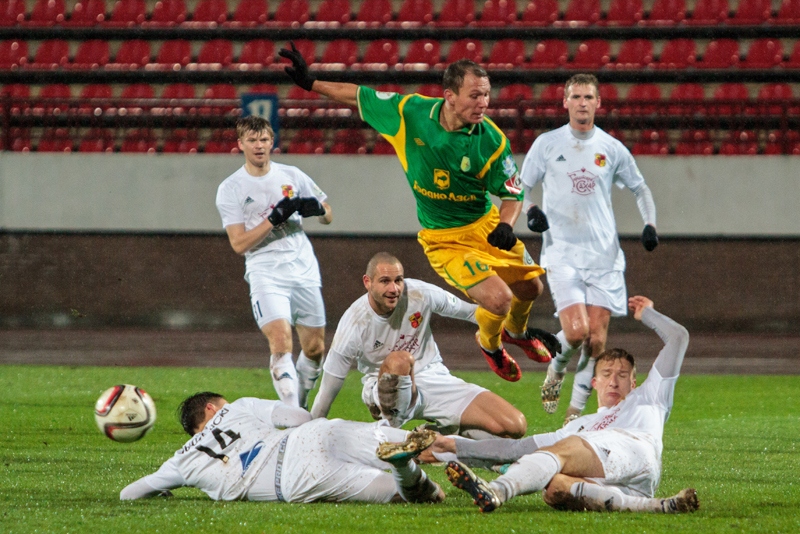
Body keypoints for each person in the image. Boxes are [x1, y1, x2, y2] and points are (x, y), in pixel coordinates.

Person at [279, 43, 559, 383]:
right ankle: (490, 344)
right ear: (450, 96)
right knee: (499, 300)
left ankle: (516, 332)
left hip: (484, 225)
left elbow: (511, 193)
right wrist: (311, 83)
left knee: (532, 288)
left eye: (486, 95)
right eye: (474, 95)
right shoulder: (410, 113)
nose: (483, 103)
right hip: (444, 239)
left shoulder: (491, 140)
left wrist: (504, 223)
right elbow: (359, 96)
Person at [382, 296, 698, 514]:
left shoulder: (650, 399)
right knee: (554, 488)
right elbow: (516, 449)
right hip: (613, 478)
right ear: (594, 383)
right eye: (607, 374)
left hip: (636, 454)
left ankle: (498, 490)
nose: (615, 381)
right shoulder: (581, 425)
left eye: (623, 375)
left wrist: (648, 314)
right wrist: (448, 444)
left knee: (561, 451)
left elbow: (679, 338)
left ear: (634, 383)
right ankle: (654, 506)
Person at [519, 73, 659, 423]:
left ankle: (575, 412)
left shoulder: (611, 148)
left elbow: (640, 188)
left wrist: (650, 225)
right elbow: (520, 187)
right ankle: (557, 365)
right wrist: (531, 210)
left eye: (588, 97)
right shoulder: (548, 144)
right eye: (576, 97)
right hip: (563, 253)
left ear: (598, 103)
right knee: (577, 332)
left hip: (605, 257)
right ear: (565, 102)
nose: (582, 103)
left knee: (596, 341)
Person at [310, 252, 527, 439]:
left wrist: (516, 331)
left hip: (434, 378)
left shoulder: (420, 293)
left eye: (398, 280)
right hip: (382, 388)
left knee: (513, 427)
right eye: (385, 281)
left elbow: (473, 313)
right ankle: (391, 433)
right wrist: (310, 433)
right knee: (400, 361)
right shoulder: (355, 322)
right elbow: (328, 389)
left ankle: (433, 437)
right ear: (367, 282)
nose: (394, 288)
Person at [120, 392, 444, 504]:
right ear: (211, 407)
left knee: (423, 497)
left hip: (294, 479)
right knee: (416, 442)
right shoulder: (239, 407)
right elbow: (300, 416)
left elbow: (129, 494)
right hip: (311, 436)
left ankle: (402, 467)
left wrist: (161, 491)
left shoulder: (181, 461)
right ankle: (480, 454)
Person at [215, 116, 333, 409]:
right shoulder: (231, 188)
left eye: (264, 140)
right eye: (252, 141)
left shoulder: (291, 174)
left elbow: (329, 213)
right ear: (240, 144)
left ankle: (300, 406)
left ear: (272, 142)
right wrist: (273, 219)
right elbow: (238, 243)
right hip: (266, 271)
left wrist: (316, 208)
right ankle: (292, 412)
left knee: (316, 348)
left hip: (303, 269)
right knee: (281, 342)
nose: (259, 146)